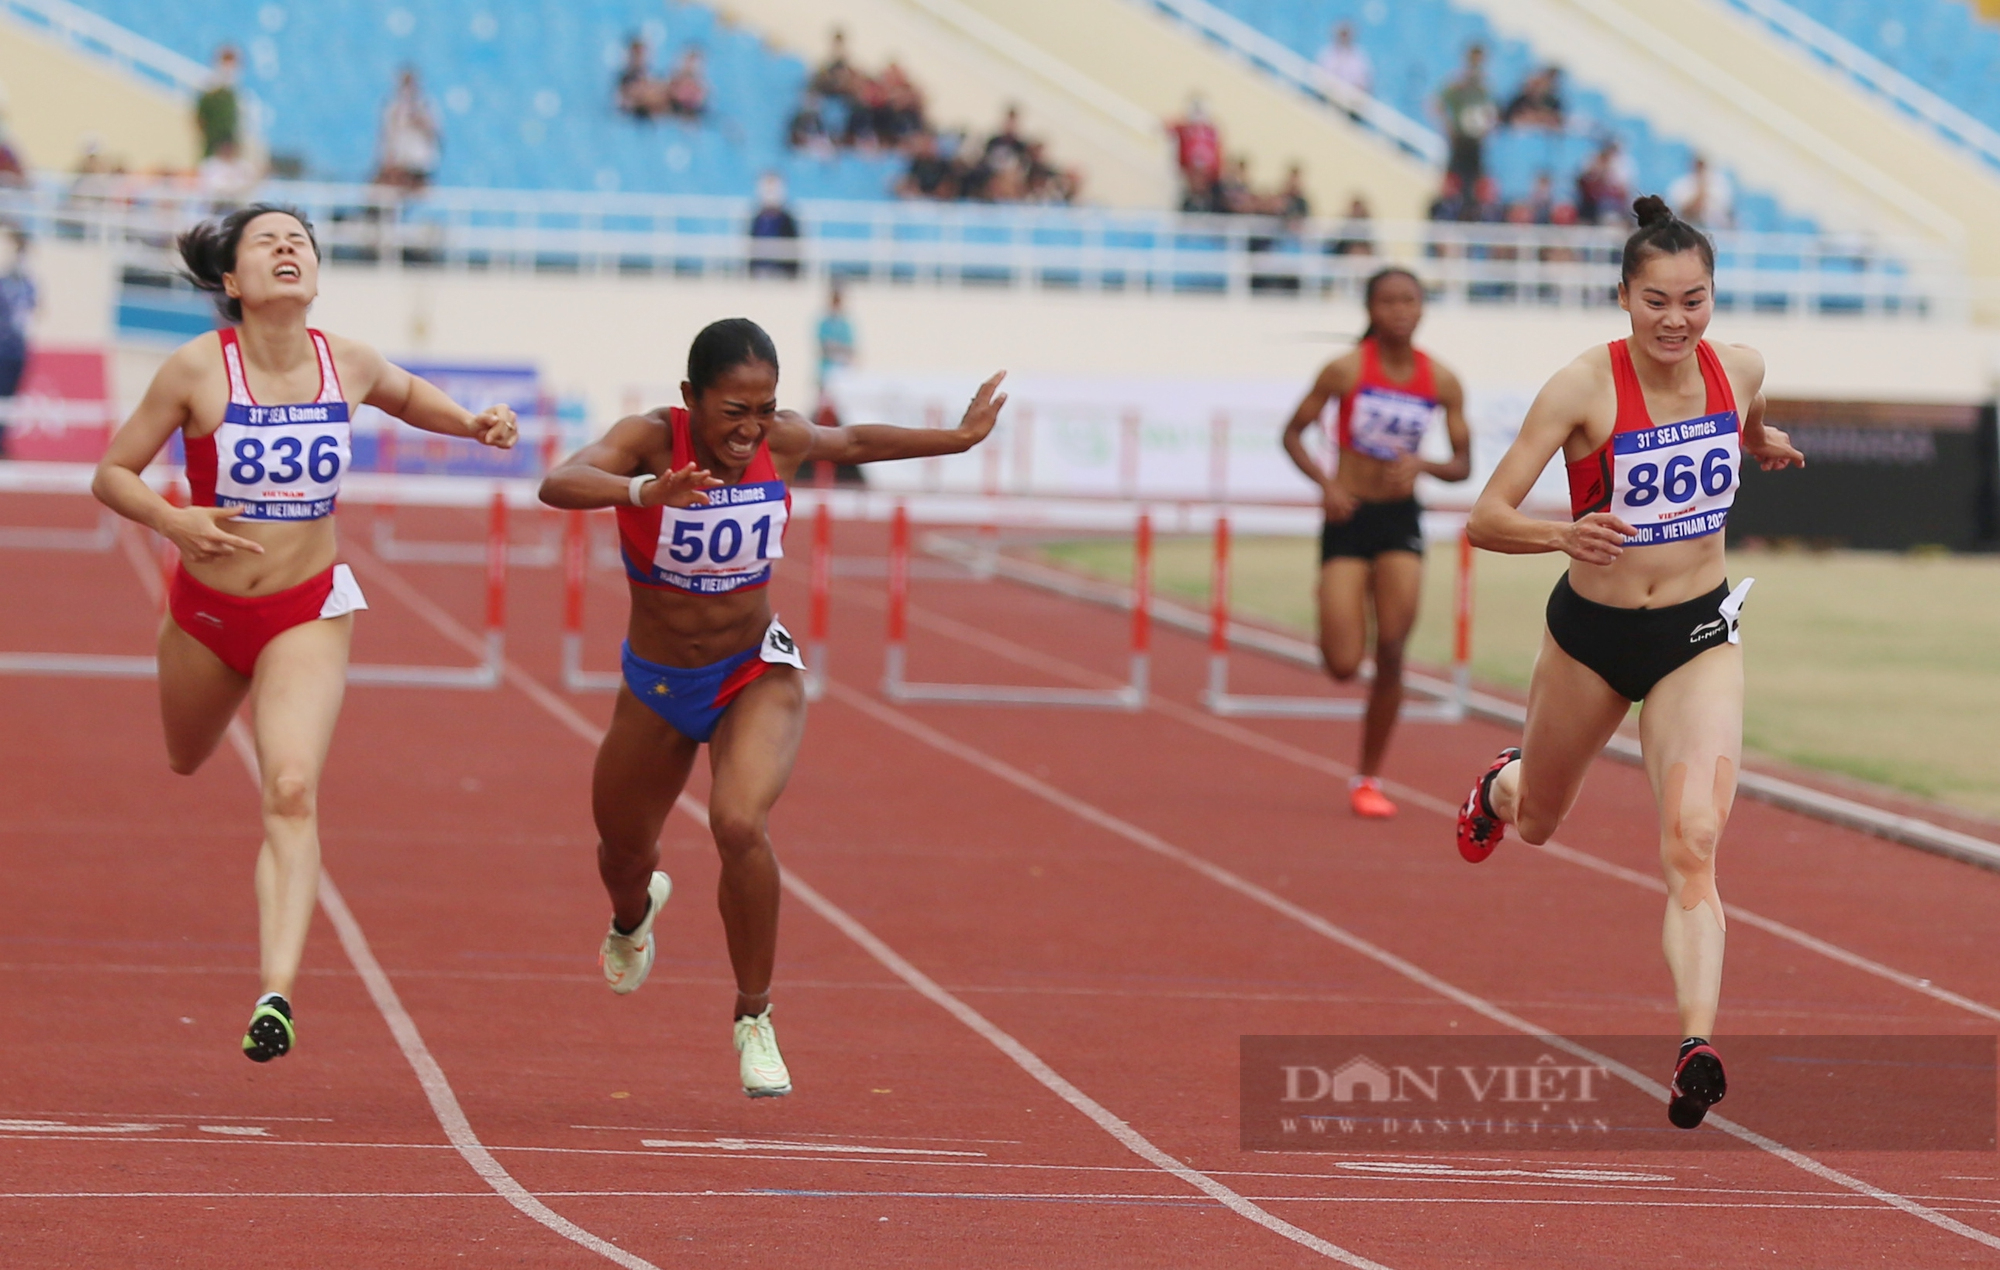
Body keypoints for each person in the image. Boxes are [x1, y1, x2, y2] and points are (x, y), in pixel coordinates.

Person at [89, 204, 519, 1063]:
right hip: (207, 617)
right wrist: (176, 524)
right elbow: (110, 474)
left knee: (290, 788)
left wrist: (472, 421)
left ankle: (275, 993)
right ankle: (273, 974)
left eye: (300, 240)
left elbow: (405, 394)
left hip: (304, 609)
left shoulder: (346, 361)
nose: (289, 249)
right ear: (231, 281)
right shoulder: (195, 370)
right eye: (267, 242)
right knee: (184, 755)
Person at [537, 319, 1005, 1097]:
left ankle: (754, 1016)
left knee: (738, 823)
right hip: (657, 684)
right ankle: (632, 917)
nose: (749, 429)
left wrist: (955, 440)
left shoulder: (778, 441)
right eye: (733, 411)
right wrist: (645, 491)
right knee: (622, 854)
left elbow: (852, 442)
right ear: (692, 399)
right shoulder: (649, 439)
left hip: (754, 670)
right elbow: (558, 482)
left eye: (765, 408)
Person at [1453, 196, 1803, 1130]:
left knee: (1693, 840)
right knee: (1539, 824)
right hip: (1591, 639)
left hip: (1695, 636)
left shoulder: (1741, 368)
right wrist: (1561, 532)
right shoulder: (1581, 389)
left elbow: (1749, 407)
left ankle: (1696, 1044)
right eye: (1657, 301)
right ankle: (1502, 785)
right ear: (1623, 298)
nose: (1676, 320)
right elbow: (1484, 519)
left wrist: (1756, 437)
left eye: (1694, 300)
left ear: (1714, 298)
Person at [1280, 268, 1471, 818]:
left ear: (1423, 308)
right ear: (1370, 308)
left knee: (1391, 647)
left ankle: (1369, 777)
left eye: (1410, 300)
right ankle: (1337, 607)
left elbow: (1463, 464)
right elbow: (1292, 432)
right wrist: (1327, 484)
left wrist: (1424, 465)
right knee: (1342, 663)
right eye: (1388, 301)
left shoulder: (1442, 381)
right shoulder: (1344, 370)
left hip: (1400, 522)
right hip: (1349, 517)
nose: (1400, 311)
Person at [1438, 45, 1496, 192]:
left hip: (1476, 140)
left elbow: (1489, 111)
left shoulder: (1485, 85)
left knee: (1474, 183)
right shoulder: (1458, 82)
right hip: (1460, 138)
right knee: (1453, 180)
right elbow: (1438, 104)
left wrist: (1486, 129)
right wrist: (1448, 126)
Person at [375, 67, 441, 191]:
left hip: (418, 166)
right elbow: (386, 136)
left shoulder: (426, 107)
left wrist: (420, 119)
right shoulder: (393, 109)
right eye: (404, 84)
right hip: (397, 166)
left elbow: (435, 135)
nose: (407, 89)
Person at [0, 229, 34, 458]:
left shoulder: (29, 283)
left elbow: (34, 309)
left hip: (17, 349)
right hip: (2, 347)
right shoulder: (3, 283)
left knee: (10, 398)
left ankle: (2, 441)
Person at [747, 173, 800, 279]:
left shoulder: (788, 219)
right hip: (759, 272)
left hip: (782, 272)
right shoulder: (755, 218)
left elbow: (794, 246)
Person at [196, 46, 242, 160]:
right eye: (226, 63)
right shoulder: (210, 94)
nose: (229, 69)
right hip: (212, 150)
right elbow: (200, 119)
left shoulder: (234, 94)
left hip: (230, 154)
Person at [1668, 156, 1734, 230]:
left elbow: (1726, 207)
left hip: (1714, 224)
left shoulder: (1719, 183)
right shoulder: (1683, 184)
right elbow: (1678, 206)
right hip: (1689, 221)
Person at [1315, 22, 1374, 105]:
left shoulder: (1359, 58)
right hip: (1325, 98)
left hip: (1349, 105)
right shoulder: (1327, 52)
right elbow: (1319, 76)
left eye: (1346, 34)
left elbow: (1363, 85)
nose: (1344, 37)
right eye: (1342, 34)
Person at [665, 47, 709, 120]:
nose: (690, 65)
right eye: (688, 61)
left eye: (694, 62)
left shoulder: (701, 87)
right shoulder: (671, 83)